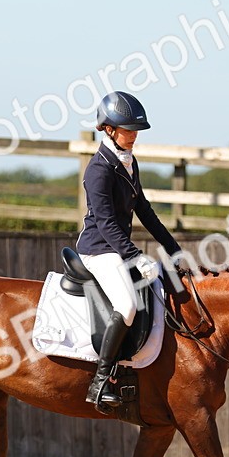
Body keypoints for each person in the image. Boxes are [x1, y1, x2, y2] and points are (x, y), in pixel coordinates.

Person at [75, 91, 182, 409]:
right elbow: (107, 224)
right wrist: (135, 256)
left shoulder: (128, 161)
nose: (133, 136)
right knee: (127, 304)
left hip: (117, 247)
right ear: (109, 129)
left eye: (136, 130)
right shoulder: (99, 169)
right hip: (98, 249)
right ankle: (100, 380)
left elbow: (144, 210)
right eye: (128, 129)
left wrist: (172, 247)